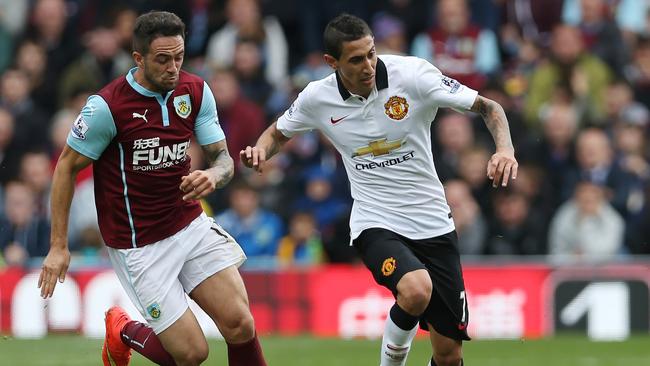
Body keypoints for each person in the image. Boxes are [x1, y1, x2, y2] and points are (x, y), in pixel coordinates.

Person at [241, 13, 518, 366]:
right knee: (416, 289)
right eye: (356, 59)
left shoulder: (413, 76)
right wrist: (261, 150)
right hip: (376, 220)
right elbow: (277, 132)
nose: (369, 65)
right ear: (332, 62)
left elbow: (489, 107)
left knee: (449, 356)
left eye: (371, 53)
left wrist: (505, 149)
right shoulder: (317, 98)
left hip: (433, 222)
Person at [38, 11, 267, 366]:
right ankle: (124, 329)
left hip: (188, 225)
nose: (173, 67)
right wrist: (58, 246)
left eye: (179, 57)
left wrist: (213, 175)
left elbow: (223, 159)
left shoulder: (195, 91)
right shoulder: (108, 107)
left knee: (240, 324)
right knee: (192, 354)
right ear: (139, 58)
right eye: (163, 59)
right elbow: (65, 167)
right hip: (138, 244)